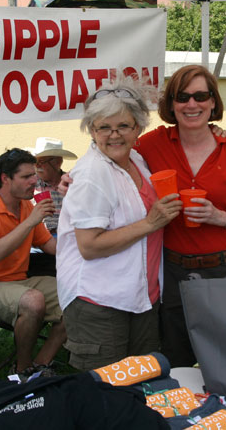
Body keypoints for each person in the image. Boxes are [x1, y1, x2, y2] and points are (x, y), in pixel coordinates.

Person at [135, 64, 226, 367]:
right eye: (182, 97)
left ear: (212, 102)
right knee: (179, 361)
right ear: (171, 104)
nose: (191, 104)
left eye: (200, 96)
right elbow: (111, 151)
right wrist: (69, 179)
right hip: (174, 274)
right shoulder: (151, 144)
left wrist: (221, 217)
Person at [56, 76, 182, 370]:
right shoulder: (91, 174)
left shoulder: (137, 160)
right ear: (91, 130)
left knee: (140, 386)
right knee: (104, 395)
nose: (114, 135)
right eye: (103, 127)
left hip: (139, 297)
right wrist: (151, 223)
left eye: (123, 126)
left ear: (138, 127)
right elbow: (89, 246)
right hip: (99, 301)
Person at [0, 148, 67, 379]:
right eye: (26, 177)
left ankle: (40, 364)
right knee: (34, 301)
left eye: (34, 175)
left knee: (77, 296)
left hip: (19, 281)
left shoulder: (26, 206)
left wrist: (85, 247)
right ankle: (21, 369)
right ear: (5, 178)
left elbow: (49, 245)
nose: (34, 181)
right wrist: (30, 222)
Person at [27, 137, 77, 278]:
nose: (37, 167)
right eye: (35, 162)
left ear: (57, 162)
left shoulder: (72, 184)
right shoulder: (31, 185)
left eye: (41, 162)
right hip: (38, 241)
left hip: (67, 237)